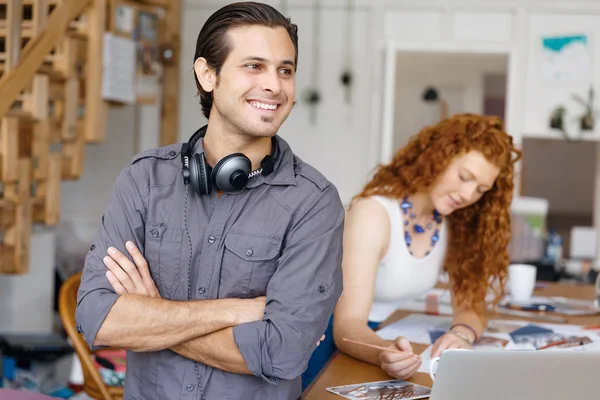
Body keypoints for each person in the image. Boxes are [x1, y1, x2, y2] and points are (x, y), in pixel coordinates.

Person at [75, 3, 344, 399]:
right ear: (207, 74)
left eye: (285, 70)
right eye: (254, 66)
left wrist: (153, 314)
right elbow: (98, 319)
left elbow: (282, 351)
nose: (274, 85)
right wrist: (233, 311)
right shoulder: (144, 179)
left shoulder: (314, 203)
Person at [304, 113, 521, 384]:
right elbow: (347, 327)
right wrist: (385, 352)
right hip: (332, 349)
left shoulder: (455, 222)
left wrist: (462, 334)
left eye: (481, 189)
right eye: (465, 176)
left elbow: (471, 307)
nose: (468, 195)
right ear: (437, 158)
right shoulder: (374, 213)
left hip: (388, 337)